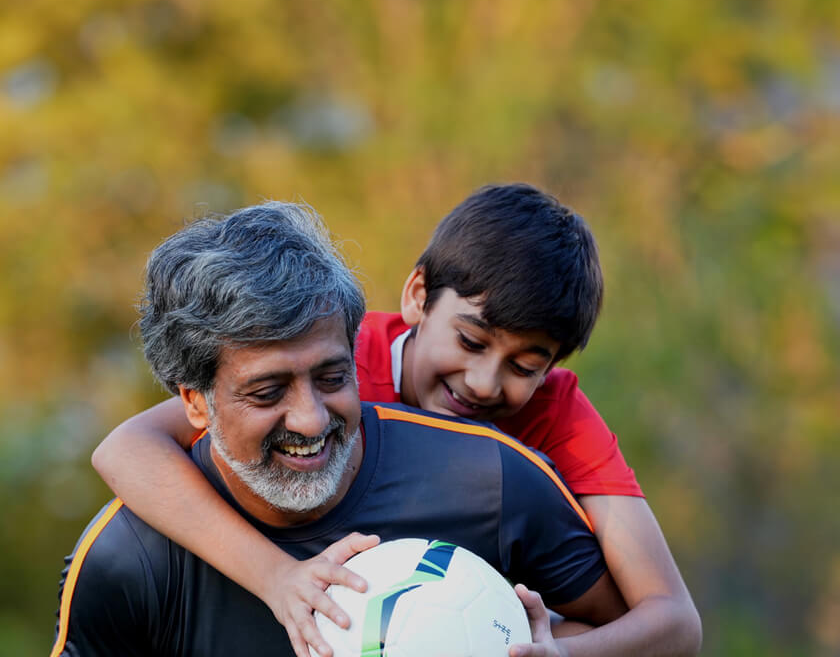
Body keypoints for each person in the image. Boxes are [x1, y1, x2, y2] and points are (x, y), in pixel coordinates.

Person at [91, 185, 702, 656]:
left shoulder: (557, 416)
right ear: (416, 297)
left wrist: (554, 650)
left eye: (526, 364)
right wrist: (275, 577)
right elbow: (126, 449)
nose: (486, 382)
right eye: (470, 341)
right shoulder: (334, 362)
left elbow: (671, 620)